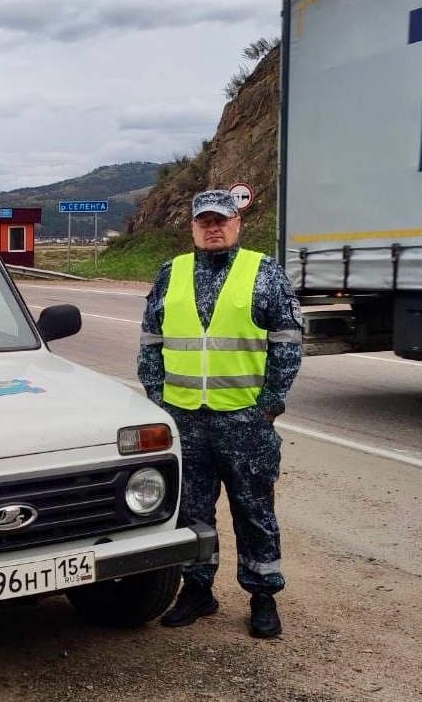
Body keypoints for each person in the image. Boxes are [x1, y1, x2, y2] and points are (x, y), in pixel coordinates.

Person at [138, 189, 303, 639]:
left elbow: (287, 344)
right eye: (204, 221)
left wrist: (268, 407)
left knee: (254, 511)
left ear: (237, 224)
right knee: (191, 511)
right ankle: (197, 590)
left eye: (221, 220)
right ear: (193, 227)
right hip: (185, 420)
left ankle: (262, 596)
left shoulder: (264, 273)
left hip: (244, 422)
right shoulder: (171, 273)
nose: (213, 227)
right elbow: (151, 342)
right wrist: (159, 400)